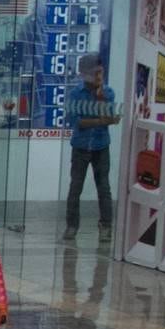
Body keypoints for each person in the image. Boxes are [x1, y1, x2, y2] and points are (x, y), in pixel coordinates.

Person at [64, 53, 119, 244]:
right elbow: (74, 121)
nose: (98, 77)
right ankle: (72, 225)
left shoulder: (108, 93)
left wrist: (101, 100)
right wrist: (98, 120)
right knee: (75, 187)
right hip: (80, 147)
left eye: (101, 73)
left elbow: (110, 119)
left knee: (104, 187)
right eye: (95, 73)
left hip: (101, 146)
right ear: (84, 74)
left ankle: (106, 227)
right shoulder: (75, 94)